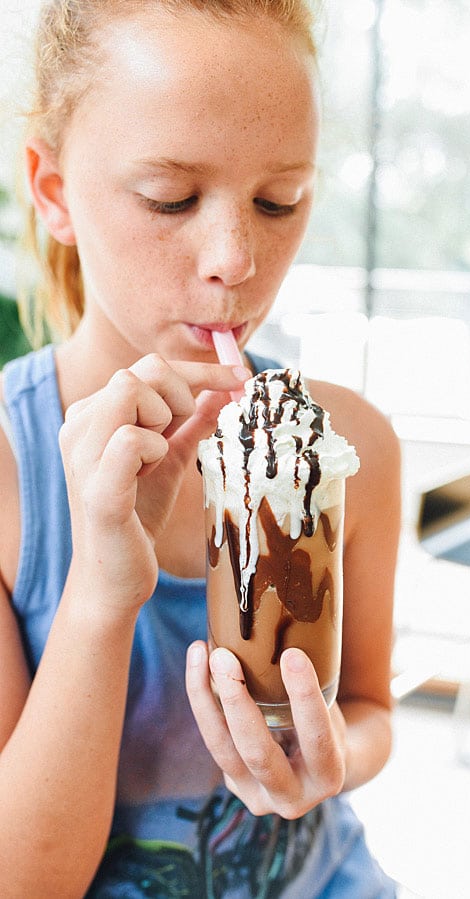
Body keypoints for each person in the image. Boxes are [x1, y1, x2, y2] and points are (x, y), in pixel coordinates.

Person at [0, 1, 402, 895]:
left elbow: (370, 707)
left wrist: (326, 761)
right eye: (171, 198)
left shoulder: (348, 446)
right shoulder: (7, 473)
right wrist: (105, 585)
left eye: (278, 200)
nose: (234, 258)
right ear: (55, 192)